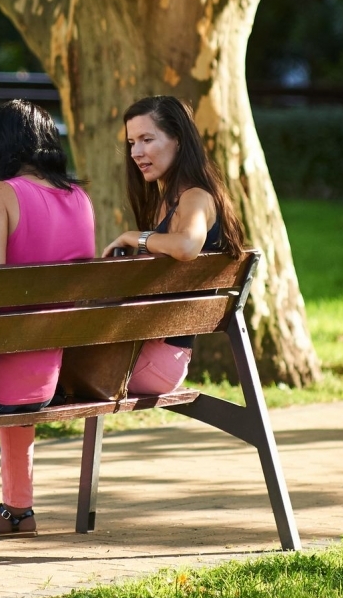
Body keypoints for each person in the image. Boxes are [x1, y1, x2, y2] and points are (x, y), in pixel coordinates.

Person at [0, 100, 96, 537]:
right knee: (19, 357)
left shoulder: (0, 195)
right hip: (44, 379)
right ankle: (16, 509)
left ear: (2, 145)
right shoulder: (80, 198)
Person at [103, 94, 245, 395]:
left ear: (178, 140)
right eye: (132, 143)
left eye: (147, 139)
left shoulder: (196, 198)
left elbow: (186, 247)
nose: (136, 152)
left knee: (35, 374)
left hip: (156, 362)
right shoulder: (165, 201)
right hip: (143, 350)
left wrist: (135, 237)